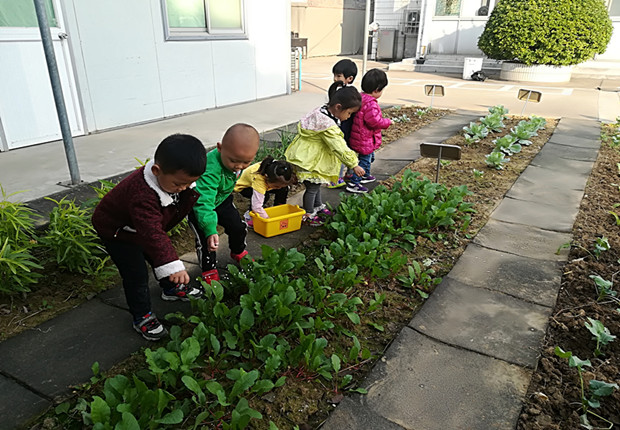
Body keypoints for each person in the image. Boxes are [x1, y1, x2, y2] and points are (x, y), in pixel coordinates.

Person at [92, 134, 207, 341]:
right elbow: (152, 233)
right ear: (156, 171)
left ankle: (170, 288)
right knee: (136, 274)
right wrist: (174, 265)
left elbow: (153, 231)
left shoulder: (173, 181)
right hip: (118, 231)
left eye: (190, 183)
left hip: (142, 227)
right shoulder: (142, 194)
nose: (184, 188)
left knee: (159, 255)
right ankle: (142, 316)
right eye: (178, 184)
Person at [285, 81, 366, 226]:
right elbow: (339, 146)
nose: (348, 117)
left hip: (307, 156)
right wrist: (354, 164)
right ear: (338, 107)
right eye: (349, 113)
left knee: (315, 185)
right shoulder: (327, 125)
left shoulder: (322, 112)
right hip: (310, 160)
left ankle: (318, 206)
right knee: (312, 188)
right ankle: (309, 214)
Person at [189, 123, 260, 286]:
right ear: (220, 148)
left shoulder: (236, 160)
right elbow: (204, 201)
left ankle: (238, 251)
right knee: (207, 240)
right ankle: (208, 269)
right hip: (200, 206)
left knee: (238, 227)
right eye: (233, 160)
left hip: (222, 200)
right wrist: (210, 228)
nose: (239, 166)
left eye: (246, 162)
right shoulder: (210, 170)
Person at [347, 68, 392, 194]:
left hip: (359, 136)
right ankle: (355, 182)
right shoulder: (371, 104)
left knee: (369, 157)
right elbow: (374, 122)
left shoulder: (361, 98)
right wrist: (387, 122)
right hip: (365, 138)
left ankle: (365, 175)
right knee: (365, 160)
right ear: (376, 90)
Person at [234, 156, 297, 227]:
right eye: (276, 186)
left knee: (283, 189)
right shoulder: (259, 180)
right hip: (244, 187)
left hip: (261, 183)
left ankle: (279, 208)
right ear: (267, 177)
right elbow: (256, 206)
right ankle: (250, 216)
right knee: (264, 197)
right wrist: (268, 219)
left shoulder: (277, 169)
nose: (278, 188)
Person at [328, 59, 358, 189]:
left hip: (348, 129)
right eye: (334, 75)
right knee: (340, 153)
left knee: (349, 151)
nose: (335, 79)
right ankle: (335, 178)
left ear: (349, 78)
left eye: (338, 76)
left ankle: (349, 173)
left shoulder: (350, 93)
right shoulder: (335, 91)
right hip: (339, 129)